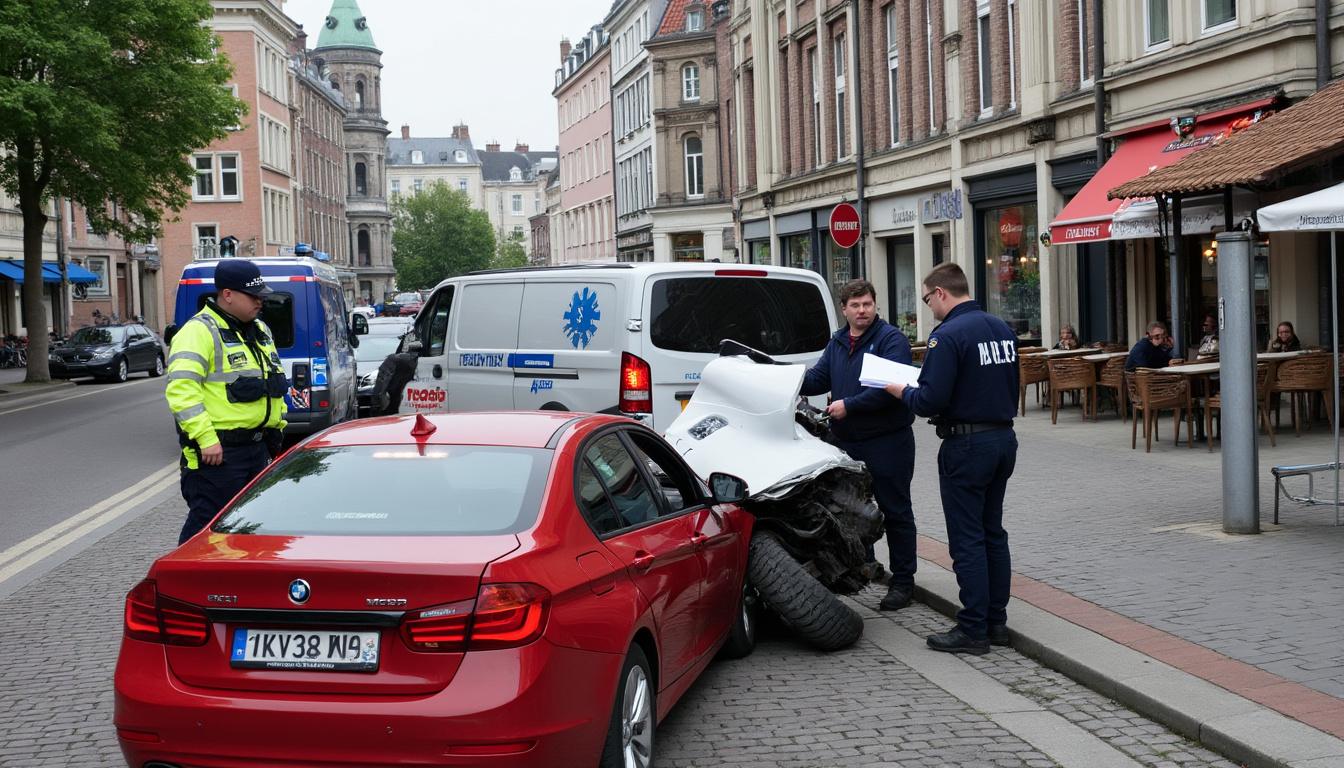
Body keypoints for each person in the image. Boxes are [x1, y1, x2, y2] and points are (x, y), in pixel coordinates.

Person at [883, 263, 1017, 655]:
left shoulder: (948, 335)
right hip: (1002, 438)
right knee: (993, 533)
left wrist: (898, 389)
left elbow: (928, 400)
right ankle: (997, 623)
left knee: (968, 539)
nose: (929, 308)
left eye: (927, 300)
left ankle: (973, 629)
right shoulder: (1001, 328)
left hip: (966, 446)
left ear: (941, 292)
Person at [800, 279, 917, 612]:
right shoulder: (838, 341)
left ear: (875, 304)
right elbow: (818, 378)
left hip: (888, 442)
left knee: (895, 511)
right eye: (855, 305)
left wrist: (848, 405)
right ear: (844, 309)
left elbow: (888, 387)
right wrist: (780, 376)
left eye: (867, 304)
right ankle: (864, 566)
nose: (862, 310)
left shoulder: (891, 340)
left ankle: (903, 582)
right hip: (847, 443)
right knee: (851, 511)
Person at [166, 259, 289, 544]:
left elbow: (274, 383)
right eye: (253, 296)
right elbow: (182, 390)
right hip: (219, 453)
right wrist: (206, 438)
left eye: (261, 295)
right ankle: (180, 583)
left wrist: (278, 429)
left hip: (257, 448)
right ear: (228, 295)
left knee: (252, 525)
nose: (260, 301)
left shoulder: (259, 330)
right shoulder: (198, 331)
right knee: (208, 527)